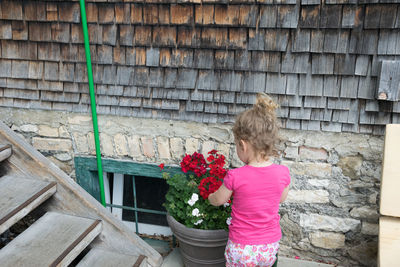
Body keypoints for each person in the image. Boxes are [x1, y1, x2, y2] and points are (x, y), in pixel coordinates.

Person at [208, 92, 291, 267]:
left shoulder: (236, 176)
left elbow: (219, 200)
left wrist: (210, 197)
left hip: (242, 247)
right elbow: (281, 198)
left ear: (243, 145)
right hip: (269, 247)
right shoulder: (283, 173)